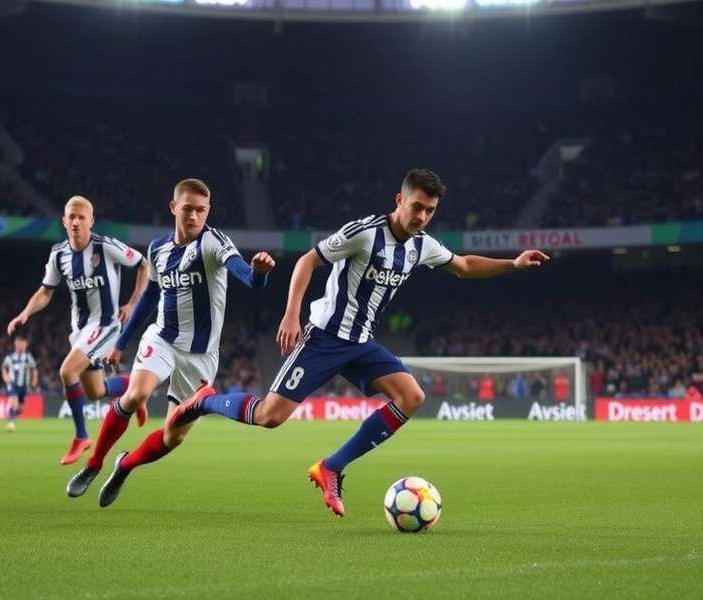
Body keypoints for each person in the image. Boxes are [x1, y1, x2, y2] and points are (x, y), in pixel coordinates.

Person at [169, 169, 549, 517]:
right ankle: (204, 401)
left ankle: (331, 467)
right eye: (416, 206)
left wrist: (513, 264)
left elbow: (463, 266)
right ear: (399, 200)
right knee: (270, 416)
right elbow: (307, 261)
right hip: (323, 338)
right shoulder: (364, 233)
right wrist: (291, 314)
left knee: (411, 396)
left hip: (362, 343)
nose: (421, 216)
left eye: (430, 210)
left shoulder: (422, 246)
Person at [65, 178, 275, 506]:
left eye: (201, 210)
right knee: (136, 394)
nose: (194, 216)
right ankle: (94, 464)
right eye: (187, 208)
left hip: (201, 356)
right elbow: (150, 296)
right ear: (173, 207)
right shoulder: (157, 249)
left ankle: (124, 466)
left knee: (172, 436)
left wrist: (259, 272)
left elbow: (248, 278)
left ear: (208, 211)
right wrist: (121, 342)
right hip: (162, 338)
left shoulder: (214, 242)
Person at [7, 196, 149, 463]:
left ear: (91, 221)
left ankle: (81, 436)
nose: (75, 222)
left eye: (81, 217)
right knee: (96, 391)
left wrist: (132, 303)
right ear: (64, 221)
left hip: (106, 325)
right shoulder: (58, 254)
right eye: (71, 217)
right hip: (80, 330)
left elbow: (144, 264)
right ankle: (133, 388)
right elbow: (45, 291)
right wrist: (25, 313)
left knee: (67, 371)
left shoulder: (105, 247)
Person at [0, 335, 38, 432]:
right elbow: (4, 368)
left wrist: (34, 380)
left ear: (26, 345)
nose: (21, 346)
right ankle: (10, 423)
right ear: (15, 344)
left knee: (20, 409)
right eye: (19, 344)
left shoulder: (28, 357)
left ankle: (11, 415)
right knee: (14, 403)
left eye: (23, 344)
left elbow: (34, 369)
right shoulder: (9, 357)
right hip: (12, 384)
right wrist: (5, 377)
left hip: (24, 386)